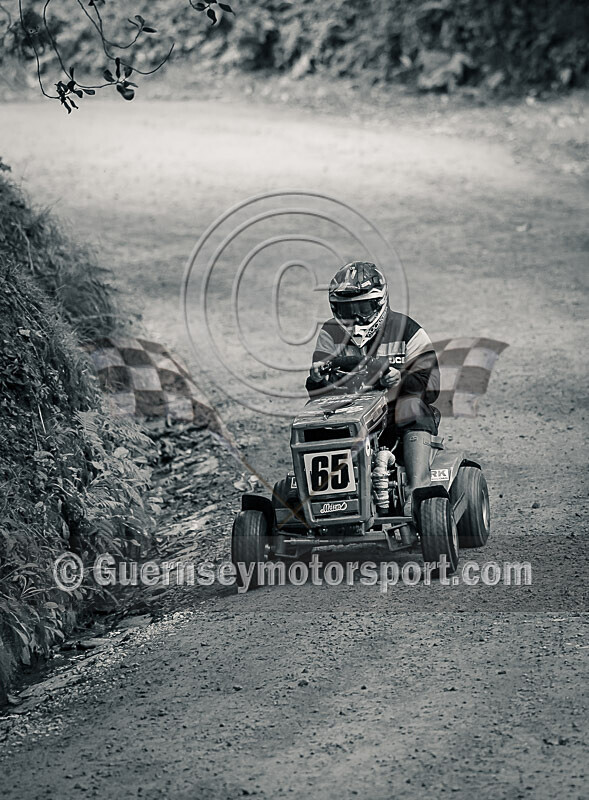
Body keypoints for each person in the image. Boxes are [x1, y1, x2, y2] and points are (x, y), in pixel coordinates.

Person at [306, 261, 440, 517]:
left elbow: (432, 386)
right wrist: (317, 379)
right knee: (312, 422)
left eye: (363, 308)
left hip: (394, 419)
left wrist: (400, 379)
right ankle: (323, 498)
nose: (355, 318)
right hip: (350, 416)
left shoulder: (408, 330)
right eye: (347, 310)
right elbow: (319, 396)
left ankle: (416, 492)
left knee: (413, 406)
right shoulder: (330, 334)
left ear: (379, 302)